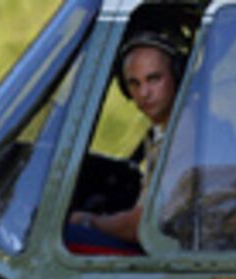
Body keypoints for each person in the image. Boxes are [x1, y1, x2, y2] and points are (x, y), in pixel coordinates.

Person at [67, 32, 183, 246]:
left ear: (176, 76)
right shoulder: (163, 132)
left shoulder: (184, 134)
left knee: (65, 237)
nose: (144, 93)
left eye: (154, 79)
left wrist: (88, 220)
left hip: (168, 251)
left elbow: (144, 226)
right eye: (134, 84)